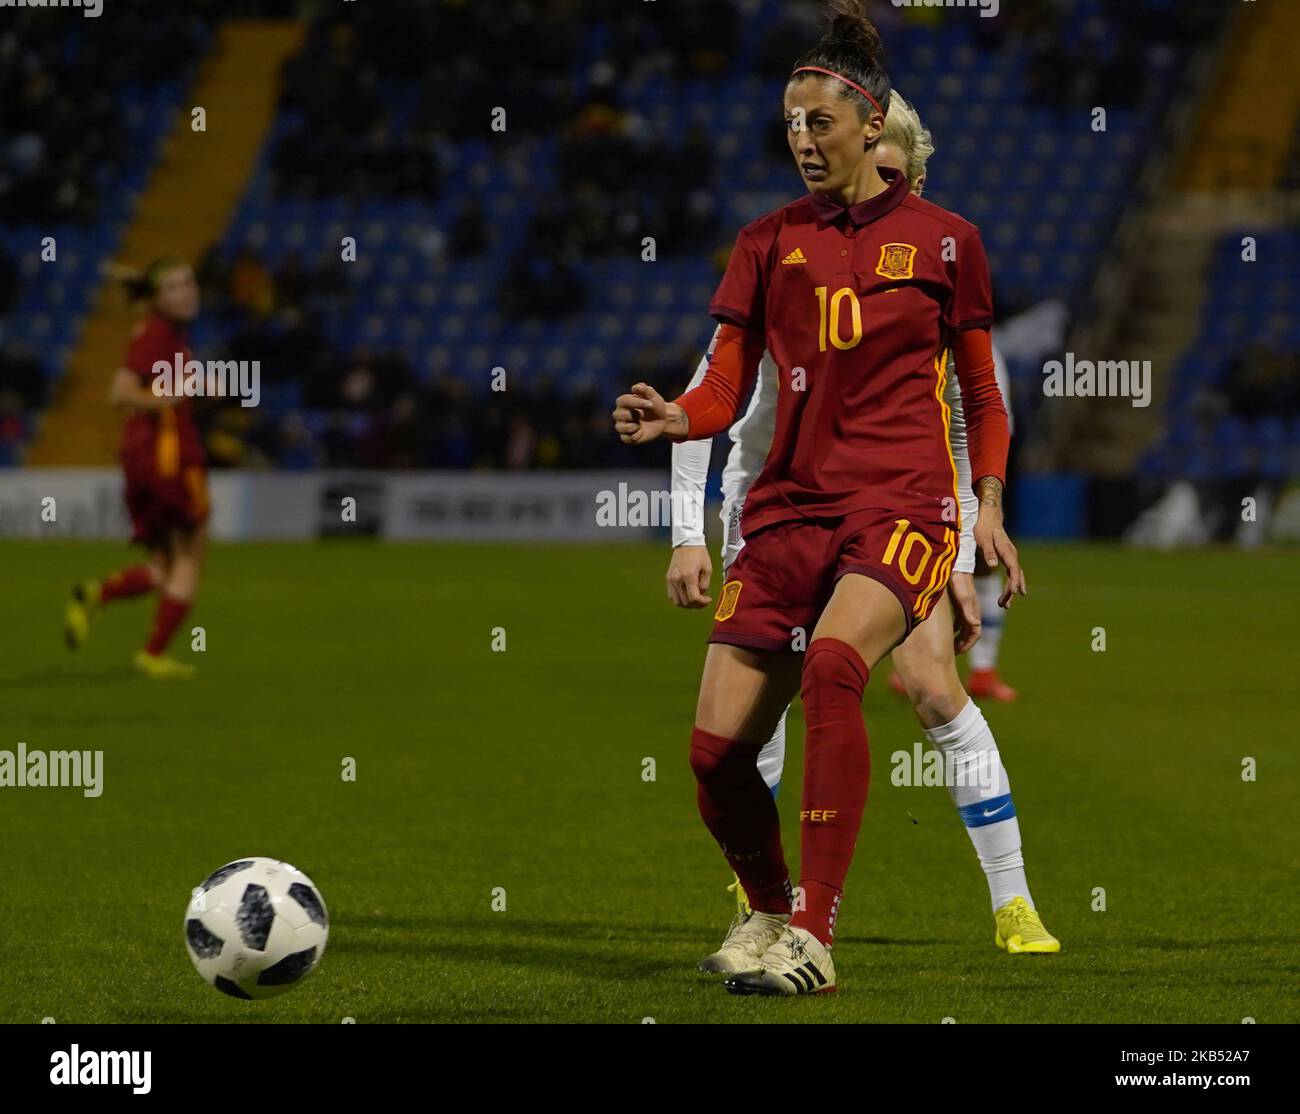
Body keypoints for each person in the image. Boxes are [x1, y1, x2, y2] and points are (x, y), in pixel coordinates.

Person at [613, 1, 1025, 995]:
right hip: (785, 510)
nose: (801, 139)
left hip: (900, 505)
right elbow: (724, 385)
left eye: (820, 123)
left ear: (872, 126)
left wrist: (988, 505)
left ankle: (813, 935)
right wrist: (680, 420)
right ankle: (761, 904)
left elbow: (978, 394)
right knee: (715, 753)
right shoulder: (764, 242)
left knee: (837, 667)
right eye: (790, 124)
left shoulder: (947, 242)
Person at [64, 256, 209, 679]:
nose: (188, 292)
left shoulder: (158, 330)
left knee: (164, 564)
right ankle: (152, 654)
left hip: (143, 454)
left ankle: (95, 594)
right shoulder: (159, 335)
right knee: (189, 557)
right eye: (175, 287)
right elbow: (121, 391)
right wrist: (176, 394)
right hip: (168, 459)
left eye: (190, 283)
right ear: (158, 299)